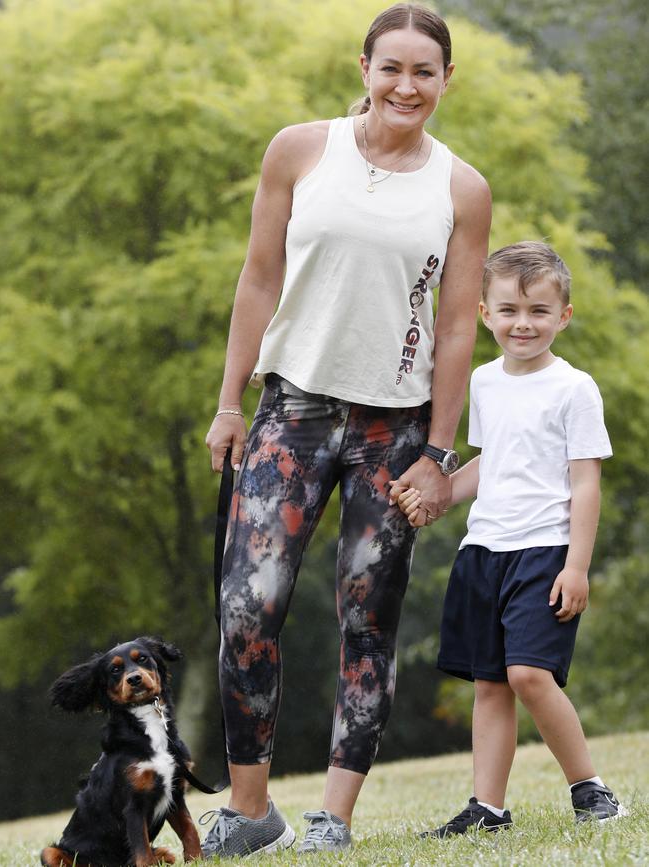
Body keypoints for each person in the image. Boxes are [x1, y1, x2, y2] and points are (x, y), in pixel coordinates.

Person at [202, 3, 491, 857]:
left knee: (368, 614)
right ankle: (252, 813)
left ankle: (334, 816)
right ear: (362, 66)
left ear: (445, 81)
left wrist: (439, 455)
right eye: (391, 67)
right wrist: (227, 402)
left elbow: (456, 330)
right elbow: (258, 279)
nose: (407, 85)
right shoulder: (299, 150)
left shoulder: (461, 188)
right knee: (248, 608)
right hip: (289, 412)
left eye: (425, 72)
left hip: (392, 431)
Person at [397, 241, 627, 837]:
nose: (522, 324)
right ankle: (488, 809)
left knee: (529, 674)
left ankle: (591, 790)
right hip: (483, 551)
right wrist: (442, 493)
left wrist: (576, 567)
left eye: (538, 312)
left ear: (564, 316)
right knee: (491, 682)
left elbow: (586, 482)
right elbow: (491, 461)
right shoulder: (482, 381)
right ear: (484, 314)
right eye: (508, 311)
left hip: (546, 551)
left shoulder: (575, 389)